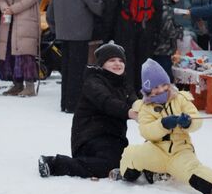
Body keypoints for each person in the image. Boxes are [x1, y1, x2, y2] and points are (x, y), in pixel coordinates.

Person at [113, 60, 212, 194]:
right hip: (156, 149)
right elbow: (146, 130)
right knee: (132, 153)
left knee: (192, 169)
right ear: (148, 89)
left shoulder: (180, 98)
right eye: (155, 87)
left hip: (180, 150)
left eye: (164, 85)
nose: (161, 90)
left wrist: (189, 122)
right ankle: (127, 174)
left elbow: (197, 120)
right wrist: (163, 124)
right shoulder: (144, 107)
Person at [38, 42, 139, 179]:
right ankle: (55, 163)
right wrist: (129, 113)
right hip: (90, 138)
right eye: (112, 60)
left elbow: (134, 101)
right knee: (109, 164)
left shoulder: (124, 83)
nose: (117, 64)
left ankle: (123, 170)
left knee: (131, 159)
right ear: (102, 63)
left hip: (113, 139)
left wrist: (146, 109)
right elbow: (106, 102)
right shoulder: (93, 82)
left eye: (121, 60)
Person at [48, 0, 104, 113]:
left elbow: (51, 8)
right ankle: (74, 104)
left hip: (63, 33)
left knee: (66, 69)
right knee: (78, 70)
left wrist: (54, 27)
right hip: (80, 32)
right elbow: (96, 6)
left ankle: (65, 102)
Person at [108, 0, 163, 94]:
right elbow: (158, 4)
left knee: (126, 62)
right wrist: (156, 30)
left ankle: (128, 93)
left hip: (124, 27)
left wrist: (108, 34)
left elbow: (111, 6)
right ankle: (144, 93)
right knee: (144, 62)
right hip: (147, 26)